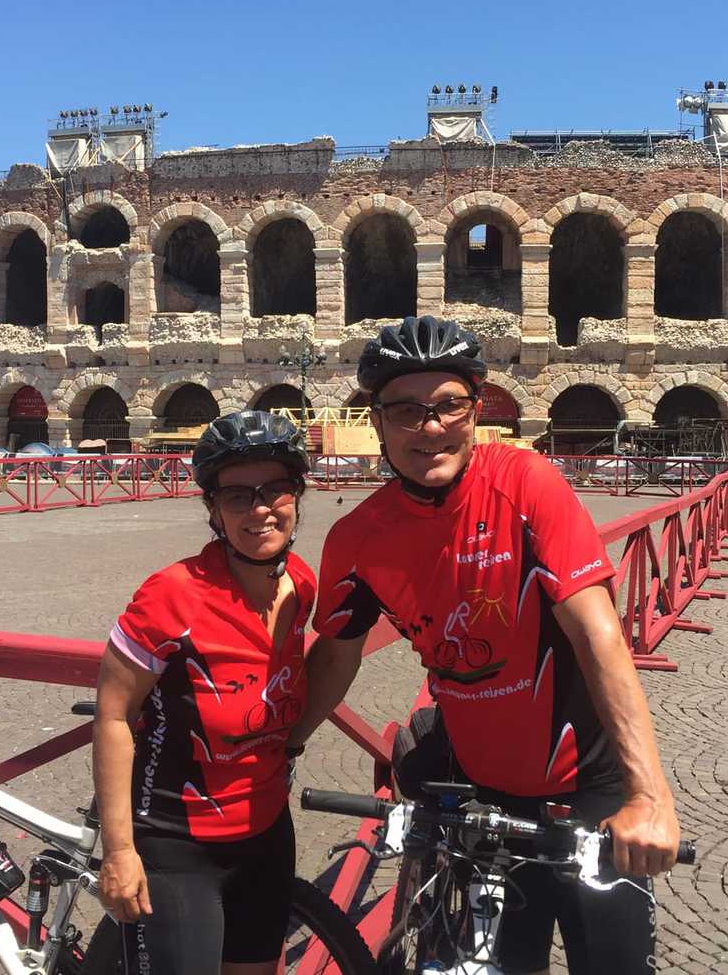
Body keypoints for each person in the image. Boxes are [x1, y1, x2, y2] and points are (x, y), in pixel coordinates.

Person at [291, 316, 681, 975]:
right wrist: (281, 750)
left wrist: (649, 796)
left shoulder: (526, 483)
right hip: (484, 797)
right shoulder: (357, 539)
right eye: (406, 411)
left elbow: (597, 633)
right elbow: (335, 654)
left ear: (476, 409)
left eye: (449, 405)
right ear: (377, 422)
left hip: (591, 789)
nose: (431, 427)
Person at [92, 410, 314, 973]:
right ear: (213, 510)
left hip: (267, 831)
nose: (260, 509)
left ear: (296, 495)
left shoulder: (303, 586)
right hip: (176, 842)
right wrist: (118, 851)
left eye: (275, 489)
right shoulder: (171, 596)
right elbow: (114, 717)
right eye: (237, 496)